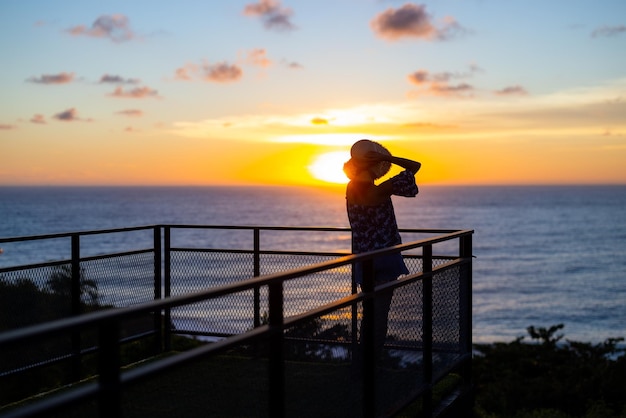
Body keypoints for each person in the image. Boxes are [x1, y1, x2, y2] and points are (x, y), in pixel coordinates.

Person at [344, 139, 421, 363]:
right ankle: (372, 366)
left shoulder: (351, 189)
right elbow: (414, 167)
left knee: (368, 315)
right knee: (380, 316)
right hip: (385, 259)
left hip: (364, 259)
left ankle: (361, 363)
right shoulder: (380, 191)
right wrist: (386, 158)